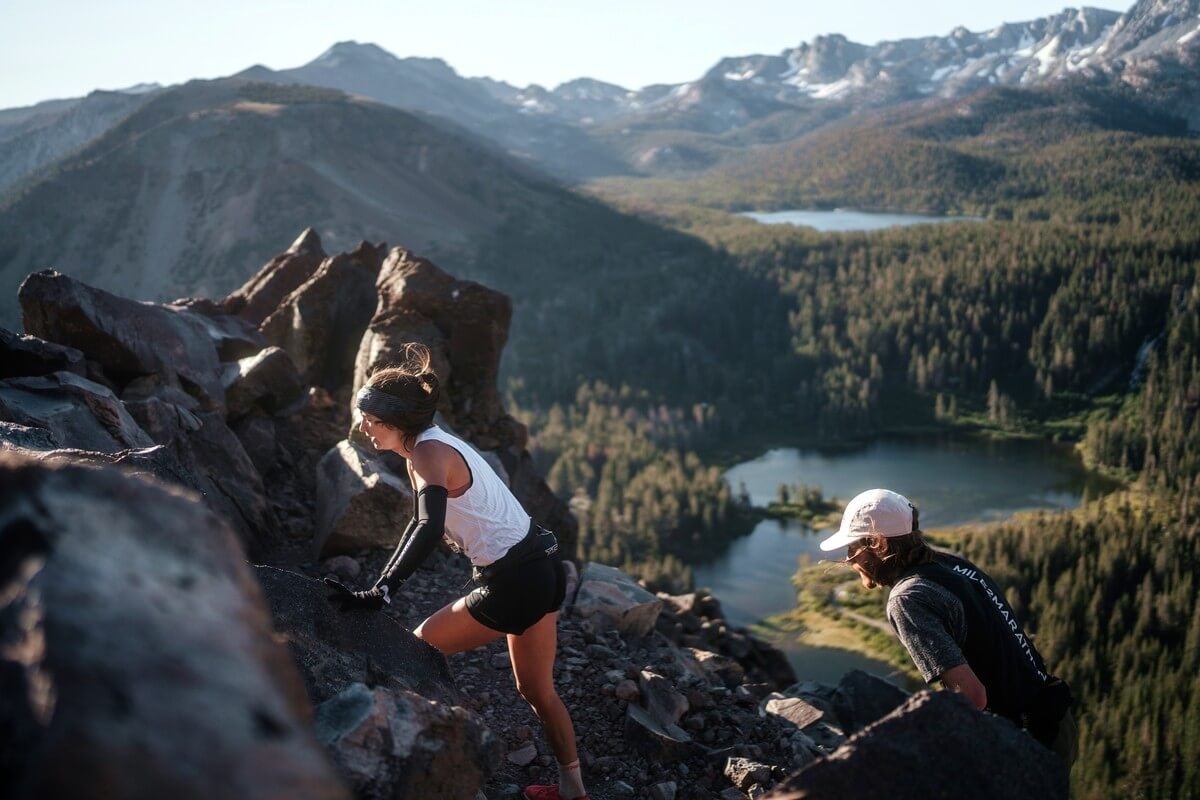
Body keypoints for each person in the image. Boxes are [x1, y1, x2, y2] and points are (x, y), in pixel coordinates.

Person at [324, 343, 589, 800]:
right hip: (543, 569)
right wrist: (380, 586)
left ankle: (438, 767)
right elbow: (418, 523)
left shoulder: (427, 456)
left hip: (514, 581)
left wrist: (382, 591)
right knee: (536, 690)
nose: (363, 426)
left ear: (396, 422)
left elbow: (428, 527)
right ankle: (574, 791)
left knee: (418, 648)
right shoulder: (434, 444)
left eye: (371, 418)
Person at [819, 488, 1077, 768]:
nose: (849, 558)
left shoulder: (907, 599)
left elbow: (972, 698)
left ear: (876, 544)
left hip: (1024, 742)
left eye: (853, 547)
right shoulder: (950, 564)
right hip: (1056, 719)